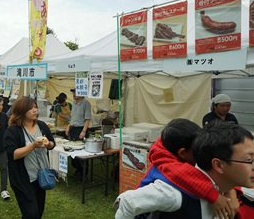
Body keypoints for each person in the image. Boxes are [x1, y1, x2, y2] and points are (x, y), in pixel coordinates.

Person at [116, 121, 254, 219]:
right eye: (249, 160)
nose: (202, 149)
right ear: (182, 153)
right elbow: (127, 202)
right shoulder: (173, 185)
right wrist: (214, 195)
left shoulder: (187, 158)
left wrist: (232, 190)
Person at [4, 96, 56, 219]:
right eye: (31, 108)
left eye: (35, 108)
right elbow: (13, 154)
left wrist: (48, 144)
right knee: (31, 213)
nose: (35, 111)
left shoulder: (42, 126)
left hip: (40, 176)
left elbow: (52, 144)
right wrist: (32, 146)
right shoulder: (13, 131)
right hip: (23, 179)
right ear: (21, 111)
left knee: (39, 211)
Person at [65, 88, 92, 178]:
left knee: (82, 152)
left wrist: (84, 131)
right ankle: (78, 170)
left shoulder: (86, 103)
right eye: (73, 92)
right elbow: (72, 117)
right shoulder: (74, 103)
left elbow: (88, 119)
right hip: (73, 128)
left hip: (81, 129)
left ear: (81, 93)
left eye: (75, 92)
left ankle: (84, 174)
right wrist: (68, 127)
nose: (73, 94)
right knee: (73, 151)